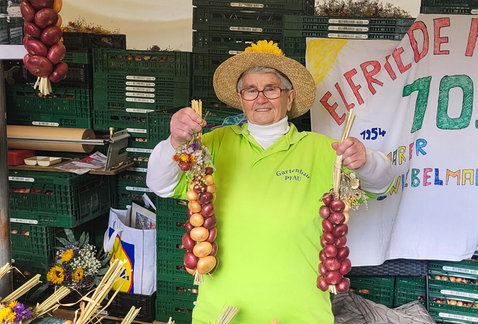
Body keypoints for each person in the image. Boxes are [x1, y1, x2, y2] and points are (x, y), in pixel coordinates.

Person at [146, 40, 393, 323]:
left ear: (289, 98)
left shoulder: (321, 149)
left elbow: (380, 183)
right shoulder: (208, 146)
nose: (260, 98)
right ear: (241, 99)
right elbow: (160, 185)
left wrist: (365, 160)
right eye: (251, 90)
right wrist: (175, 141)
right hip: (223, 313)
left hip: (300, 313)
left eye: (271, 89)